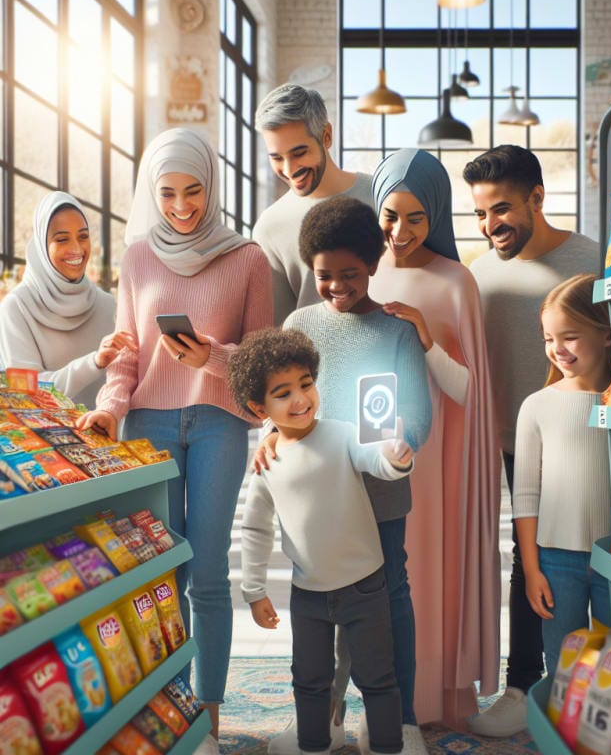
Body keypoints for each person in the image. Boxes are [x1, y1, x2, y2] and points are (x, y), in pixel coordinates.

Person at [78, 128, 272, 753]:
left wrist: (209, 356)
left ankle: (207, 715)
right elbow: (126, 359)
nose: (182, 206)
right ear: (151, 192)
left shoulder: (247, 258)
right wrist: (109, 408)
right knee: (164, 568)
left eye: (193, 192)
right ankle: (170, 703)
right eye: (167, 194)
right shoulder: (137, 257)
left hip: (218, 421)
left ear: (211, 187)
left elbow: (262, 362)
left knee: (208, 572)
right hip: (150, 424)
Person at [269, 195, 432, 755]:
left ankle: (398, 718)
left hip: (381, 494)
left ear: (375, 264)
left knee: (388, 601)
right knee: (320, 608)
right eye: (324, 276)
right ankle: (327, 714)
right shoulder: (298, 324)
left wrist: (401, 437)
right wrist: (273, 433)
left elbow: (420, 416)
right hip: (317, 499)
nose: (337, 286)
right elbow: (277, 398)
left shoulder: (395, 331)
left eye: (351, 275)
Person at [463, 145, 599, 737]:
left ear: (538, 199)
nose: (492, 225)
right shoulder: (477, 272)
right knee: (480, 557)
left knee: (541, 559)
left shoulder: (591, 259)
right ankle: (493, 677)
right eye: (481, 214)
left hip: (561, 434)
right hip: (484, 435)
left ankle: (527, 683)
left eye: (503, 209)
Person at [232, 328, 414, 755]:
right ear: (260, 407)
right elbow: (255, 527)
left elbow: (378, 461)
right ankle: (313, 745)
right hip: (308, 593)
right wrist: (254, 590)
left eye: (306, 384)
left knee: (378, 678)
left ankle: (388, 746)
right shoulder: (267, 457)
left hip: (365, 586)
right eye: (283, 393)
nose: (300, 399)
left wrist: (396, 456)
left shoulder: (344, 433)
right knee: (309, 680)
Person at [369, 149, 500, 729]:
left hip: (438, 457)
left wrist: (424, 339)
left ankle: (437, 700)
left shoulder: (456, 283)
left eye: (416, 217)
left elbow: (472, 393)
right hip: (374, 445)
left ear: (438, 215)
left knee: (427, 574)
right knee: (379, 577)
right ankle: (383, 699)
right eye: (390, 215)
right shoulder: (362, 273)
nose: (400, 232)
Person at [513, 273, 611, 674]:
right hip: (556, 562)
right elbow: (525, 495)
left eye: (569, 337)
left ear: (606, 334)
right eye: (548, 339)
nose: (557, 350)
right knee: (563, 666)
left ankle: (605, 738)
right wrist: (532, 569)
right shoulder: (536, 406)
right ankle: (562, 735)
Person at [0, 191, 135, 408]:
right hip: (44, 439)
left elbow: (124, 379)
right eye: (62, 239)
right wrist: (93, 362)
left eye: (83, 236)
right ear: (42, 246)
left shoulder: (107, 304)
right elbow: (27, 393)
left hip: (107, 436)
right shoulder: (16, 308)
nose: (76, 249)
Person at [253, 84, 374, 325]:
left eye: (299, 153)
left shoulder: (380, 197)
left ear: (326, 136)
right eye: (276, 158)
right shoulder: (269, 227)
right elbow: (277, 329)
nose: (289, 170)